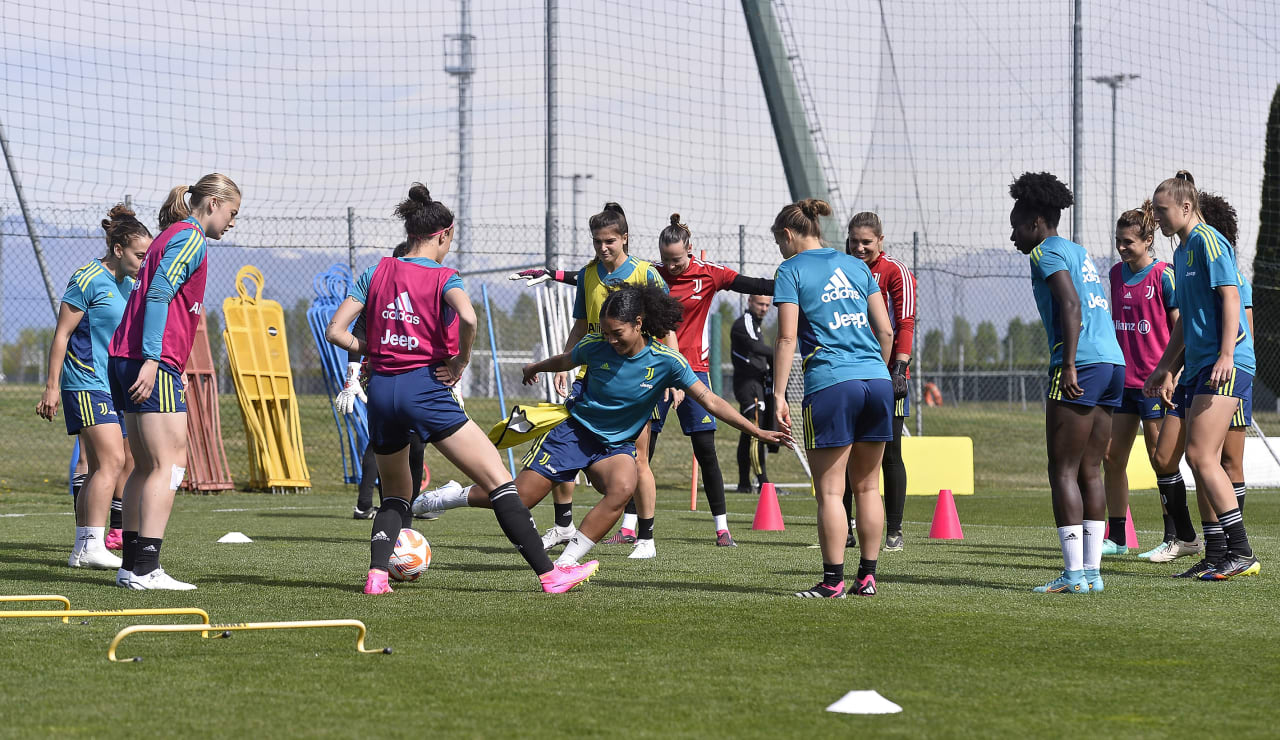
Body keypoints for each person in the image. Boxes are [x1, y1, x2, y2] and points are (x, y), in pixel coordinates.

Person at [326, 183, 597, 595]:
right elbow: (468, 317)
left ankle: (377, 577)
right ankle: (550, 575)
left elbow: (335, 331)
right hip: (425, 388)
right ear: (443, 235)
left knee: (396, 498)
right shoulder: (443, 276)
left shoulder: (375, 271)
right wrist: (461, 361)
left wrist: (375, 350)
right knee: (500, 482)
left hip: (382, 392)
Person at [412, 284, 789, 570]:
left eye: (617, 333)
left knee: (623, 486)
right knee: (518, 500)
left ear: (638, 324)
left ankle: (566, 563)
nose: (610, 340)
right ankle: (450, 496)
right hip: (574, 433)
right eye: (606, 333)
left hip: (614, 446)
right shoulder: (596, 346)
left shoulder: (667, 361)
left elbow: (710, 400)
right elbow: (565, 358)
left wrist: (757, 431)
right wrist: (535, 368)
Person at [108, 174, 240, 590]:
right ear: (214, 203)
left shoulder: (171, 235)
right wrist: (154, 359)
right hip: (148, 361)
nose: (233, 222)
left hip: (132, 358)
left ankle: (131, 567)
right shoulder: (190, 237)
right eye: (232, 213)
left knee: (145, 465)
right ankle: (146, 568)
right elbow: (160, 293)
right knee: (171, 465)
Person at [771, 198, 895, 598]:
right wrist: (876, 369)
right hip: (877, 381)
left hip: (831, 383)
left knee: (829, 491)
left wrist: (777, 394)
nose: (781, 250)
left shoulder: (790, 269)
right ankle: (868, 577)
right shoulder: (858, 266)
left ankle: (832, 581)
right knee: (868, 487)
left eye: (779, 242)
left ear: (788, 235)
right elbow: (887, 332)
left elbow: (787, 337)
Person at [1009, 172, 1125, 595]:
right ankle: (1092, 574)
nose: (1013, 236)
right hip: (1113, 363)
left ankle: (1074, 575)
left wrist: (1070, 365)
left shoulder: (1046, 253)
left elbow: (1071, 304)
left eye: (1017, 226)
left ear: (1037, 222)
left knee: (1062, 470)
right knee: (1090, 469)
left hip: (1082, 364)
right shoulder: (1079, 252)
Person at [542, 203, 677, 560]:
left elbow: (667, 327)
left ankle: (645, 537)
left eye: (609, 241)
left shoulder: (646, 274)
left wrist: (674, 378)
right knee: (564, 448)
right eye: (597, 241)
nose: (603, 248)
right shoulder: (588, 275)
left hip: (637, 378)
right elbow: (580, 324)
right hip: (590, 375)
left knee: (639, 458)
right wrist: (563, 365)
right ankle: (563, 524)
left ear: (625, 239)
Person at [1146, 175, 1259, 580]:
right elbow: (1185, 324)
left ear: (1186, 208)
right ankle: (1214, 554)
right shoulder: (1182, 253)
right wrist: (1165, 366)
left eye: (1162, 210)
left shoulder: (1209, 241)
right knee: (1196, 461)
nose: (1156, 217)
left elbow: (1231, 296)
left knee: (1200, 455)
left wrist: (1227, 354)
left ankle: (1240, 551)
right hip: (1197, 367)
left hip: (1224, 364)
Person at [37, 204, 149, 569]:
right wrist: (51, 387)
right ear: (118, 250)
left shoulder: (132, 285)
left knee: (112, 462)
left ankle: (84, 546)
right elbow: (61, 335)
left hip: (113, 385)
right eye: (138, 254)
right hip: (84, 382)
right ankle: (91, 545)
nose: (142, 261)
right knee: (111, 460)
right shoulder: (86, 278)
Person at [652, 214, 775, 547]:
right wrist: (556, 275)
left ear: (689, 250)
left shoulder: (709, 273)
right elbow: (601, 279)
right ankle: (631, 528)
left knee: (705, 450)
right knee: (641, 450)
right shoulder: (651, 276)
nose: (671, 266)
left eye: (676, 259)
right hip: (655, 372)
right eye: (665, 259)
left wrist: (795, 283)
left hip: (695, 372)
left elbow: (754, 285)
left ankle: (722, 528)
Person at [1098, 202, 1179, 556]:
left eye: (1128, 241)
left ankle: (1174, 536)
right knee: (1112, 457)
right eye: (1118, 240)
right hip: (1123, 383)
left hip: (1155, 384)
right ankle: (1117, 536)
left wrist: (1172, 375)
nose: (1121, 247)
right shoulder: (1115, 274)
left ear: (1148, 240)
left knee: (1160, 459)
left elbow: (1180, 331)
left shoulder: (1164, 275)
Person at [334, 241, 429, 521]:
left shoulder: (421, 295)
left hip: (413, 377)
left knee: (411, 440)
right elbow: (354, 332)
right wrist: (351, 379)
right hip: (384, 376)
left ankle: (400, 505)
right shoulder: (379, 292)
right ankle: (385, 505)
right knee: (388, 440)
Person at [845, 211, 916, 552]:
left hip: (887, 374)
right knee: (841, 451)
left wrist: (898, 368)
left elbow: (905, 322)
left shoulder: (894, 271)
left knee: (889, 452)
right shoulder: (841, 269)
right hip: (846, 371)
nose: (859, 248)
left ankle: (895, 531)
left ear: (881, 241)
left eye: (866, 242)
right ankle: (843, 528)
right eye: (854, 241)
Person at [731, 294, 775, 493]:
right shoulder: (745, 323)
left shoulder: (756, 325)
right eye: (760, 304)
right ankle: (764, 482)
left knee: (747, 432)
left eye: (767, 305)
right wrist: (779, 352)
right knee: (755, 432)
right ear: (749, 302)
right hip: (747, 384)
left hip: (756, 383)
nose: (764, 308)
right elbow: (755, 347)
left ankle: (744, 483)